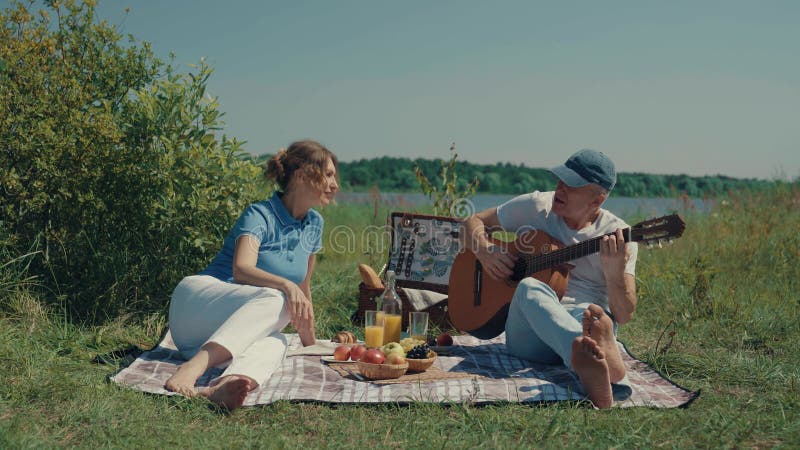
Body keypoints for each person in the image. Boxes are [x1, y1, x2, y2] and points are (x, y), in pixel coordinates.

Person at [164, 139, 339, 410]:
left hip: (216, 337)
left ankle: (224, 386)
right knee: (279, 298)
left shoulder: (314, 223)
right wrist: (286, 286)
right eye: (328, 174)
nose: (335, 184)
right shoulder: (260, 214)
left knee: (277, 341)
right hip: (195, 305)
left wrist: (310, 344)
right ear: (302, 175)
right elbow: (241, 269)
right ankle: (193, 367)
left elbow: (304, 289)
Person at [462, 148, 637, 408]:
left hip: (582, 319)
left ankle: (591, 355)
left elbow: (624, 314)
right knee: (529, 286)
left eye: (573, 185)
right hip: (530, 332)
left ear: (597, 200)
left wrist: (614, 276)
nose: (560, 189)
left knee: (596, 314)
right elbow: (472, 221)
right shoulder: (536, 206)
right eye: (561, 179)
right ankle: (590, 360)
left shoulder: (618, 236)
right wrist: (485, 251)